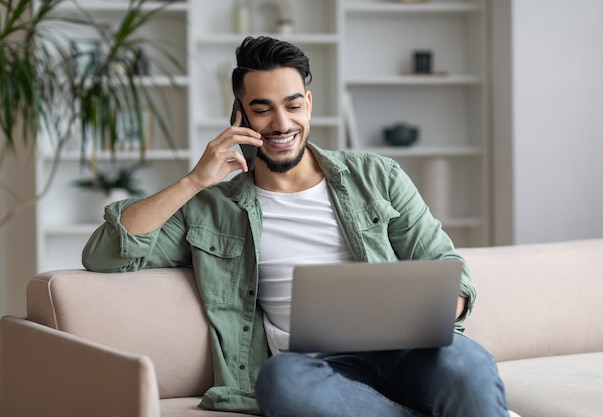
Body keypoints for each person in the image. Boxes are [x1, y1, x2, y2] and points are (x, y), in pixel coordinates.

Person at [82, 36, 509, 417]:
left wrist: (427, 312)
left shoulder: (377, 175)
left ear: (309, 102)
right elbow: (105, 253)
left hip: (407, 353)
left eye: (292, 105)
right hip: (315, 367)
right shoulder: (212, 207)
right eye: (261, 109)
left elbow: (448, 268)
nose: (281, 124)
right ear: (239, 116)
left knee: (467, 363)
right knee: (280, 381)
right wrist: (195, 180)